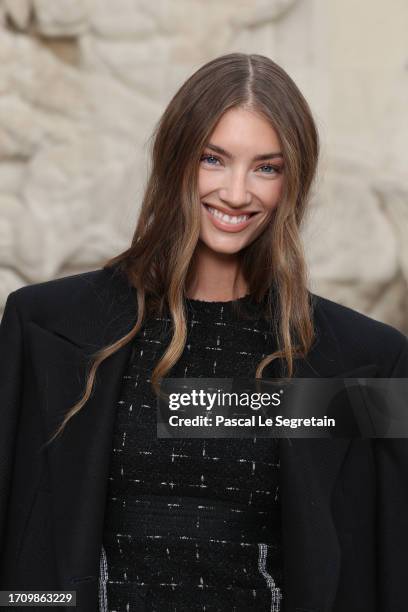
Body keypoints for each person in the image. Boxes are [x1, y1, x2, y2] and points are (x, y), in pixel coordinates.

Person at [0, 53, 407, 612]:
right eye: (213, 159)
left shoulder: (367, 359)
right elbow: (22, 560)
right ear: (175, 157)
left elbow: (377, 571)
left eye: (267, 167)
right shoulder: (42, 325)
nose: (237, 193)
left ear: (295, 179)